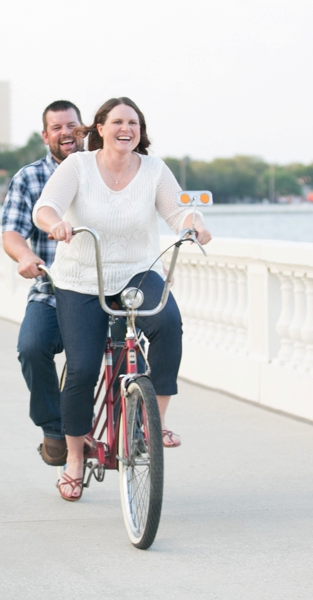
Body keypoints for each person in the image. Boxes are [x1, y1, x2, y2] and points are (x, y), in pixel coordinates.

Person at [33, 97, 211, 501]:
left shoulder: (153, 170)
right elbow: (45, 207)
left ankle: (154, 421)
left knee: (168, 325)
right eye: (117, 121)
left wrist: (194, 225)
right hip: (82, 276)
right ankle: (75, 459)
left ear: (140, 130)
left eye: (133, 122)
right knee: (81, 368)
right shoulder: (77, 167)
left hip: (137, 270)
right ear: (100, 127)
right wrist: (56, 224)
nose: (125, 128)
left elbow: (179, 212)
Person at [2, 100, 84, 467]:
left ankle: (133, 419)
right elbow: (12, 233)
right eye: (57, 127)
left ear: (85, 129)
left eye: (72, 125)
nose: (66, 133)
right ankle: (54, 429)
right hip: (51, 289)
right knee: (32, 348)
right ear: (45, 135)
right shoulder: (30, 177)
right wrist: (25, 256)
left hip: (102, 289)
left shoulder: (103, 169)